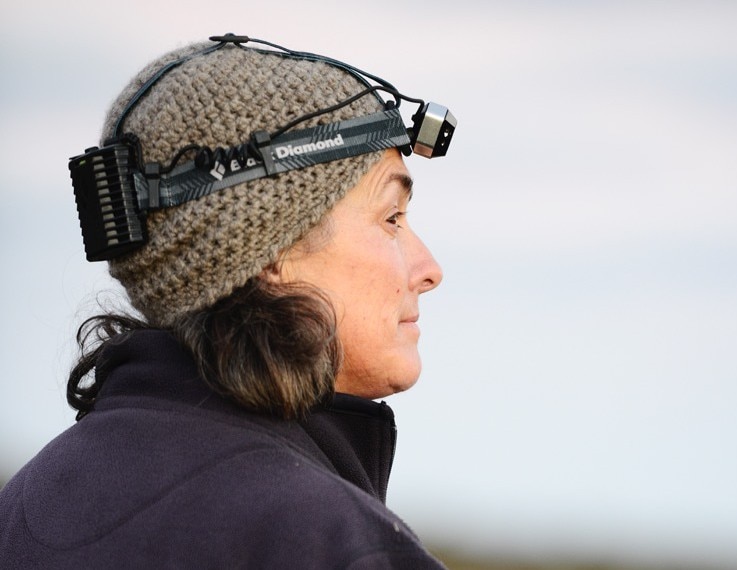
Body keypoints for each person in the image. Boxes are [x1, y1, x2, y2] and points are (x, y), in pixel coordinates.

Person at [0, 34, 455, 568]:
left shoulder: (22, 507)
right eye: (391, 218)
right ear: (272, 248)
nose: (429, 270)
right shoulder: (337, 545)